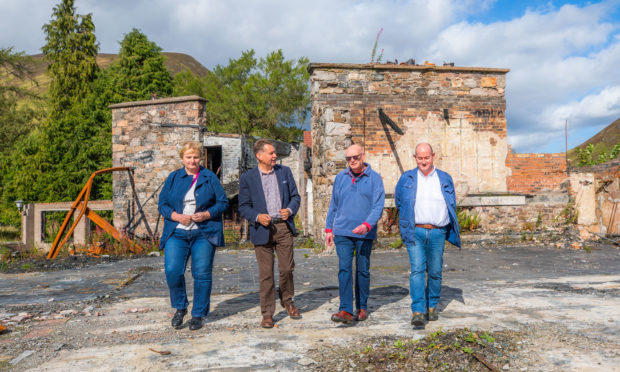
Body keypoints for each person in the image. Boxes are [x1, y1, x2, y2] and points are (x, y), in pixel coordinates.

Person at [158, 141, 229, 331]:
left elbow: (222, 203)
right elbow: (162, 204)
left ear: (200, 158)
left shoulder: (209, 177)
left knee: (202, 273)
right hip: (177, 232)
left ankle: (198, 314)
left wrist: (206, 214)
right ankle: (180, 308)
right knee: (172, 270)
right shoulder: (173, 178)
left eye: (195, 157)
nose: (192, 160)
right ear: (182, 159)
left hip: (203, 233)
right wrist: (176, 216)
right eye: (188, 157)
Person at [394, 143, 461, 327]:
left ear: (433, 156)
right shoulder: (407, 178)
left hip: (438, 231)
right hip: (415, 230)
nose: (423, 161)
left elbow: (451, 203)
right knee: (417, 269)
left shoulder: (444, 178)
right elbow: (399, 202)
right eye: (420, 158)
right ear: (415, 158)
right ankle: (418, 310)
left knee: (435, 271)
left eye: (427, 157)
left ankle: (432, 306)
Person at [238, 139, 301, 328]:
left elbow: (296, 197)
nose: (275, 156)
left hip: (283, 227)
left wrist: (289, 210)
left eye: (275, 153)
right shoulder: (248, 178)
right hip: (261, 229)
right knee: (266, 274)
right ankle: (267, 313)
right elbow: (243, 207)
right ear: (259, 156)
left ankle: (288, 301)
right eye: (271, 153)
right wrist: (257, 216)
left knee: (286, 269)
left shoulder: (285, 172)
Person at [325, 144, 385, 323]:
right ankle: (345, 310)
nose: (352, 161)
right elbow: (333, 205)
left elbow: (378, 206)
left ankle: (362, 306)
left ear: (363, 156)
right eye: (348, 158)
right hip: (343, 231)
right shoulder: (341, 178)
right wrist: (329, 229)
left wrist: (367, 225)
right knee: (344, 269)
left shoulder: (375, 179)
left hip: (365, 233)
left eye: (355, 157)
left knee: (362, 270)